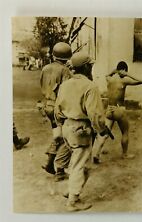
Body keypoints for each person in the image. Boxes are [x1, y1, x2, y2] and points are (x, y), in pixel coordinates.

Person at [54, 52, 111, 212]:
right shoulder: (90, 86)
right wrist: (100, 130)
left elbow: (57, 110)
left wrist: (61, 124)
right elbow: (95, 114)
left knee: (77, 162)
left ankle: (70, 190)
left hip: (67, 127)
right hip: (81, 129)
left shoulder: (65, 84)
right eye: (90, 66)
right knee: (81, 165)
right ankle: (73, 201)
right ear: (86, 67)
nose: (91, 69)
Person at [92, 61, 142, 164]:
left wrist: (113, 71)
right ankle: (125, 154)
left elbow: (106, 75)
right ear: (124, 70)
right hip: (119, 109)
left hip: (109, 110)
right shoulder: (124, 81)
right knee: (125, 132)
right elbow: (140, 81)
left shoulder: (109, 79)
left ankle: (96, 154)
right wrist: (127, 74)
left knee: (105, 133)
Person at [40, 42, 73, 180]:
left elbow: (42, 85)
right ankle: (59, 170)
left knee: (58, 135)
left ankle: (49, 163)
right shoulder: (65, 71)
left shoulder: (45, 68)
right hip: (59, 108)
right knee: (66, 138)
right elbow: (67, 90)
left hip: (47, 105)